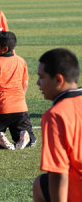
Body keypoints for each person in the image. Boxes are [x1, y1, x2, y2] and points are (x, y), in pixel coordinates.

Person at [33, 48, 82, 202]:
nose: (38, 83)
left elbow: (58, 173)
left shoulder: (56, 115)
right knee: (41, 183)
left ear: (59, 80)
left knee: (41, 183)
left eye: (42, 77)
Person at [0, 31, 36, 150]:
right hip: (20, 108)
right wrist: (20, 97)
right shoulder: (21, 61)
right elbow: (25, 84)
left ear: (4, 49)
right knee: (31, 141)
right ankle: (25, 137)